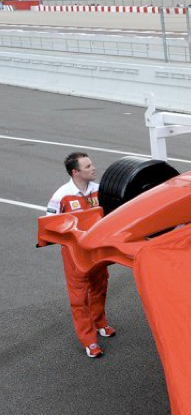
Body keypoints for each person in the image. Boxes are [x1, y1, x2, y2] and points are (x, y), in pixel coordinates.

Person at [47, 152, 115, 358]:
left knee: (100, 286)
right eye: (88, 167)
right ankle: (89, 340)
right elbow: (50, 224)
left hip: (97, 250)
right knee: (79, 297)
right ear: (75, 172)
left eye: (92, 164)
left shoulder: (100, 190)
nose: (93, 168)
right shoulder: (61, 195)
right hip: (74, 254)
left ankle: (100, 322)